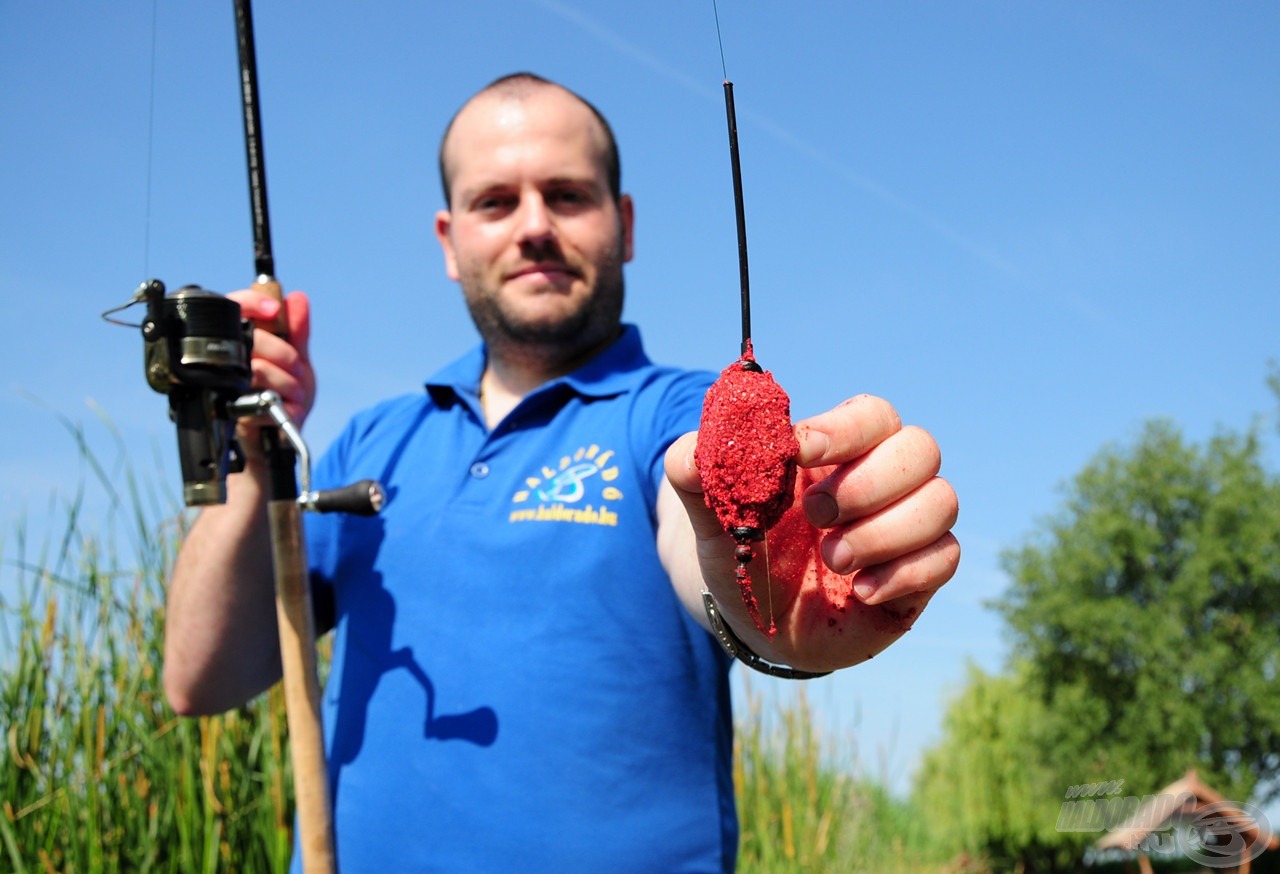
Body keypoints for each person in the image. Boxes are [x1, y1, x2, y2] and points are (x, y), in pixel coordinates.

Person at [163, 72, 960, 872]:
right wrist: (251, 442)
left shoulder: (671, 412)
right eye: (495, 201)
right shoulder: (374, 443)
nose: (534, 226)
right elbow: (200, 679)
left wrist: (774, 591)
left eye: (568, 195)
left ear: (626, 222)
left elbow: (704, 537)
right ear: (449, 239)